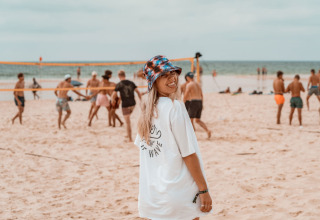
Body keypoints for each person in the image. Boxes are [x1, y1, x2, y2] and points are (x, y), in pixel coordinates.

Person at [135, 55, 213, 220]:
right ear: (154, 81)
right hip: (179, 192)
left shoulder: (147, 111)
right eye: (163, 75)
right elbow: (188, 154)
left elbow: (148, 153)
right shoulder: (174, 107)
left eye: (172, 73)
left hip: (153, 194)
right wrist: (204, 190)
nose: (171, 78)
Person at [111, 70, 141, 142]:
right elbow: (138, 92)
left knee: (127, 122)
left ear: (119, 76)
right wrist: (141, 100)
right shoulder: (131, 82)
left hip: (125, 105)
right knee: (128, 119)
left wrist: (113, 100)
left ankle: (130, 138)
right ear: (124, 75)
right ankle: (128, 134)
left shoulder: (119, 84)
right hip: (133, 104)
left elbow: (113, 95)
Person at [183, 71, 211, 138]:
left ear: (187, 77)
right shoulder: (198, 84)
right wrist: (202, 104)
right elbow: (201, 95)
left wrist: (183, 103)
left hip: (194, 102)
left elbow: (185, 95)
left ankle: (192, 136)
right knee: (197, 120)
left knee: (190, 120)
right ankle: (207, 130)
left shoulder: (189, 85)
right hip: (199, 102)